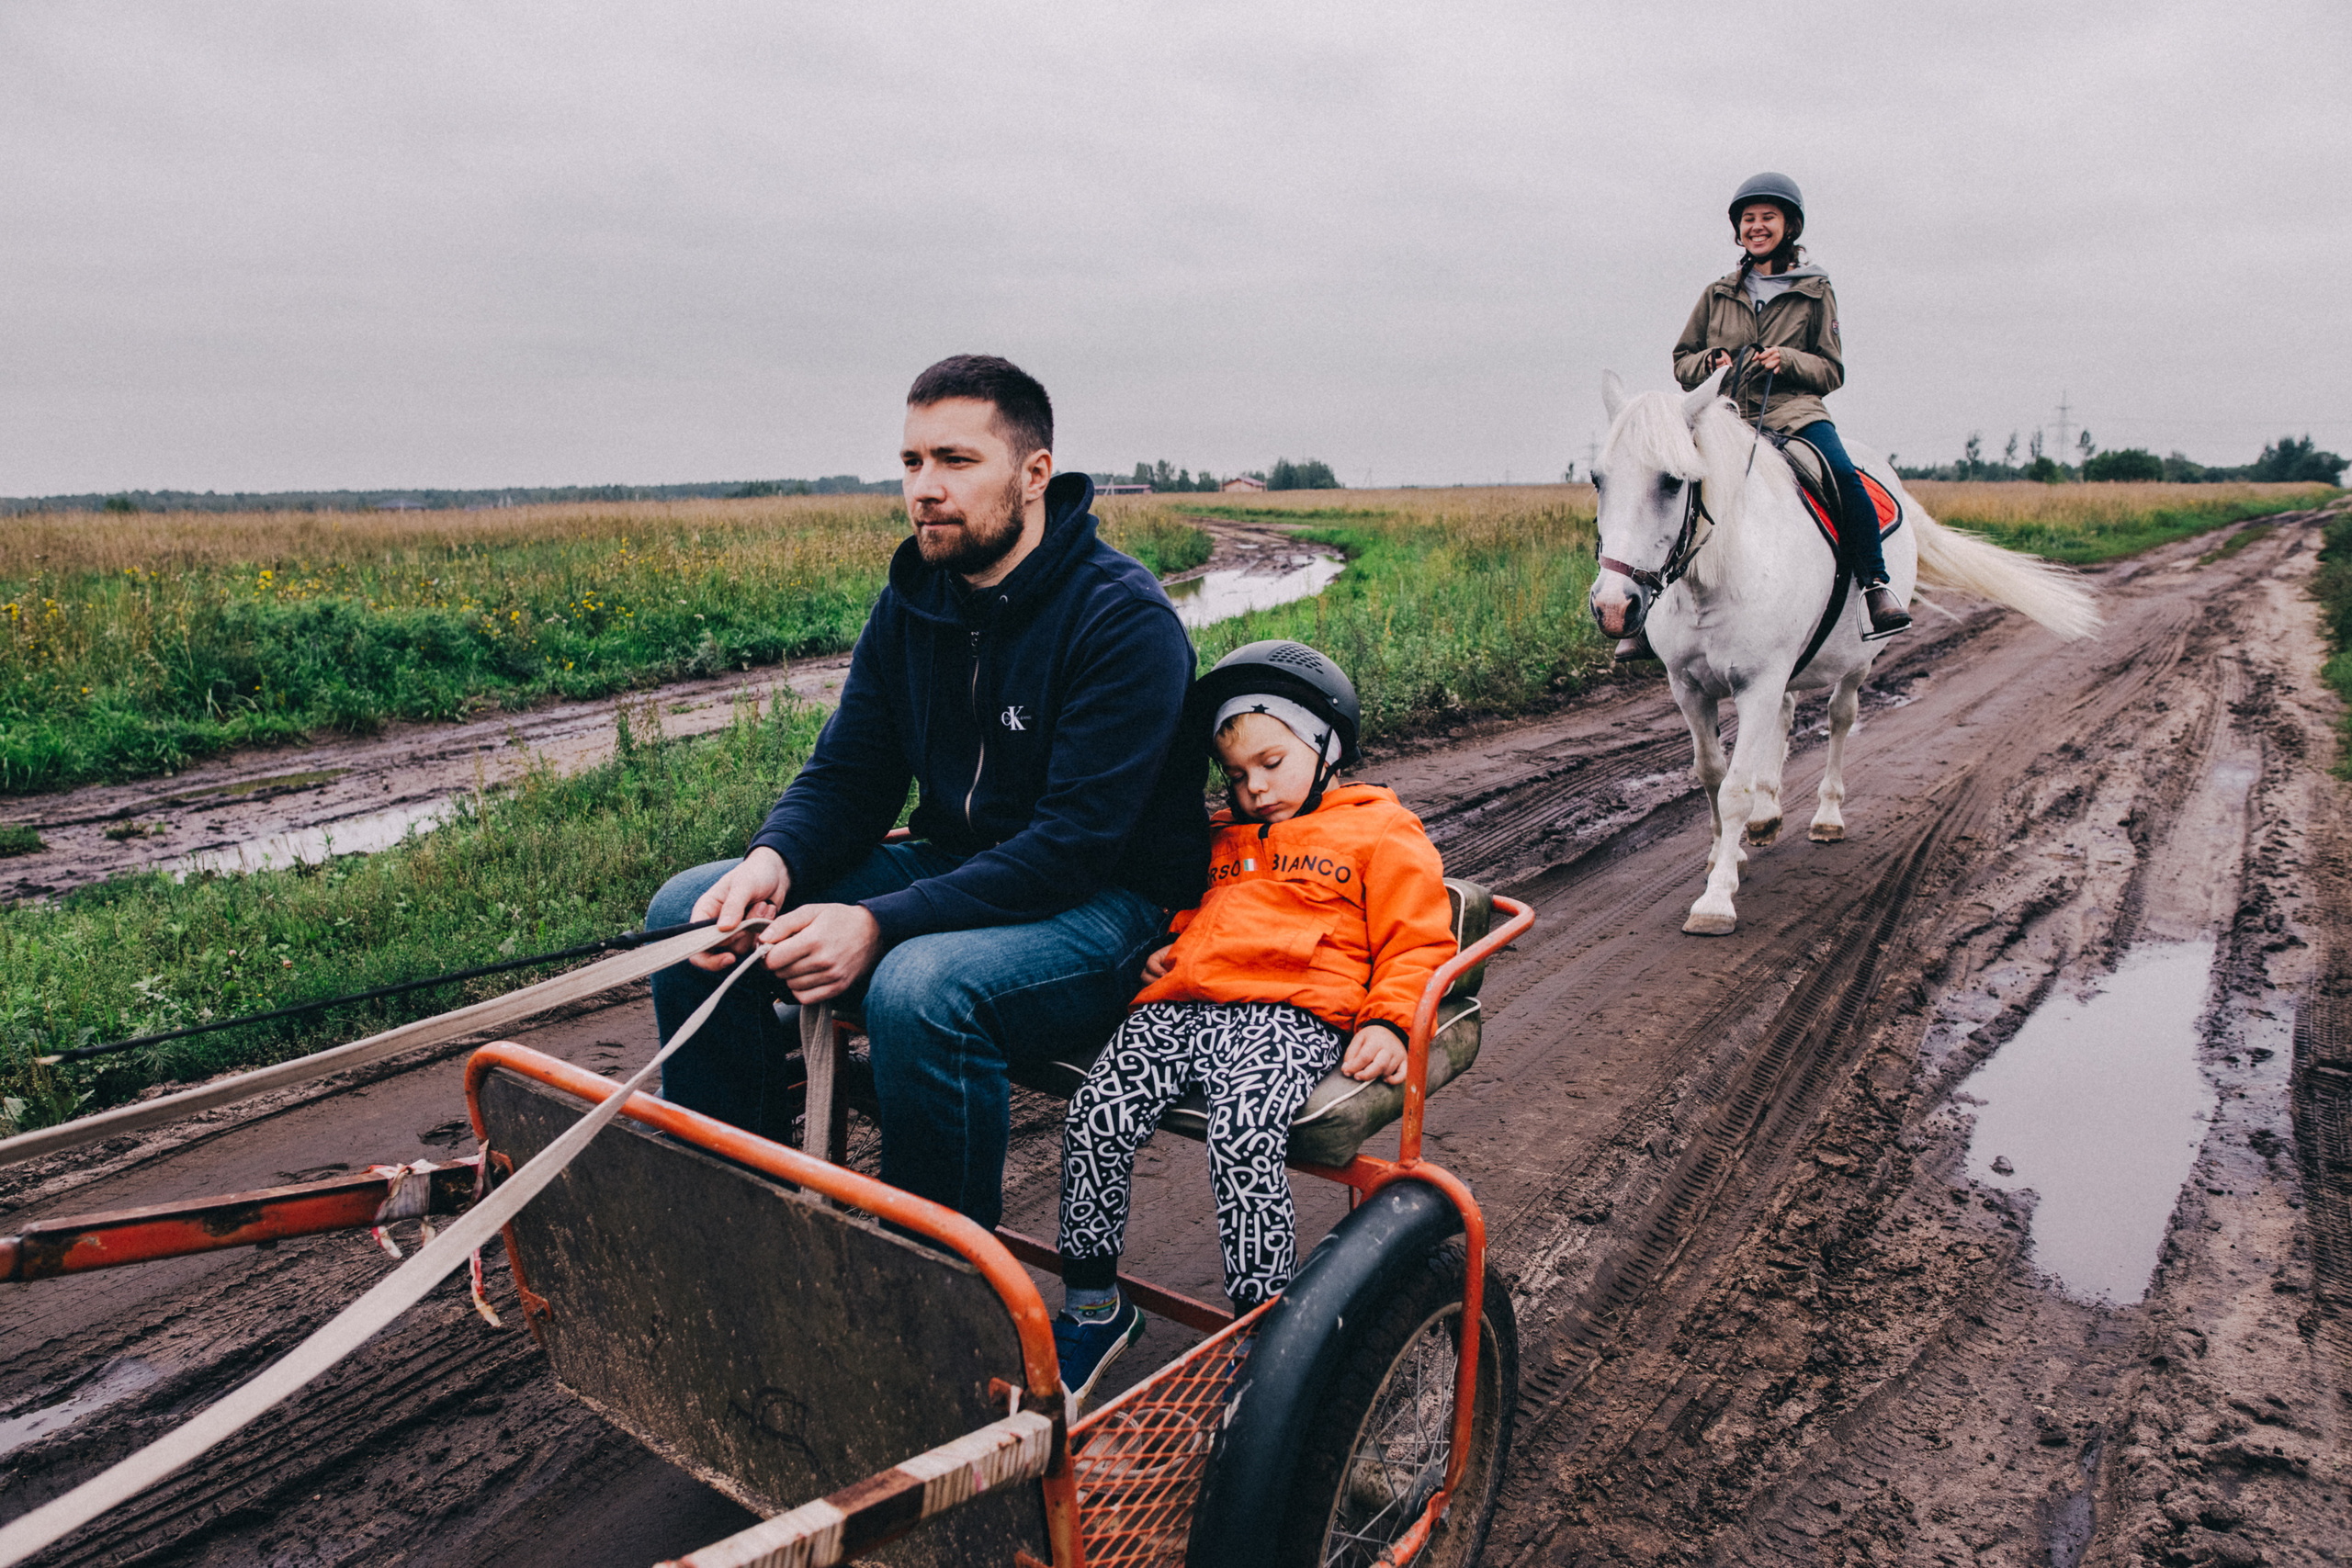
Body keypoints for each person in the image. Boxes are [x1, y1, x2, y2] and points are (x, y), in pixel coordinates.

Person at [645, 354, 1209, 1230]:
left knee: (919, 989)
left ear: (1034, 475)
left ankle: (937, 1300)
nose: (925, 488)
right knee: (690, 912)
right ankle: (736, 1227)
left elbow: (1073, 847)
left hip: (1107, 904)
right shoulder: (914, 600)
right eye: (912, 463)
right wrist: (775, 855)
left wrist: (878, 923)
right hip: (964, 865)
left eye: (956, 459)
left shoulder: (1121, 619)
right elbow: (852, 771)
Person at [1051, 640, 1458, 1404]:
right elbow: (1199, 905)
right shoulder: (1224, 839)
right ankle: (1094, 1304)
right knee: (1095, 1114)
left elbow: (1418, 940)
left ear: (1327, 745)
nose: (1255, 788)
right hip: (1185, 1006)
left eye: (1273, 762)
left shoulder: (1380, 830)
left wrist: (1392, 1023)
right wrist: (1171, 943)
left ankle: (1262, 1329)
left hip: (1290, 1015)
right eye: (1238, 775)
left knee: (1242, 1135)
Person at [1656, 170, 1910, 659]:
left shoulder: (1815, 290)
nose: (1757, 226)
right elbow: (1681, 361)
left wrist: (1787, 360)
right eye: (1748, 219)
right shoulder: (1716, 294)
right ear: (1738, 230)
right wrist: (1707, 362)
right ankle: (1646, 609)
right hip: (1726, 418)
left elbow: (1831, 370)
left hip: (1795, 413)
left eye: (1767, 217)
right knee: (1659, 480)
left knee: (1841, 476)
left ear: (1789, 226)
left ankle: (1876, 585)